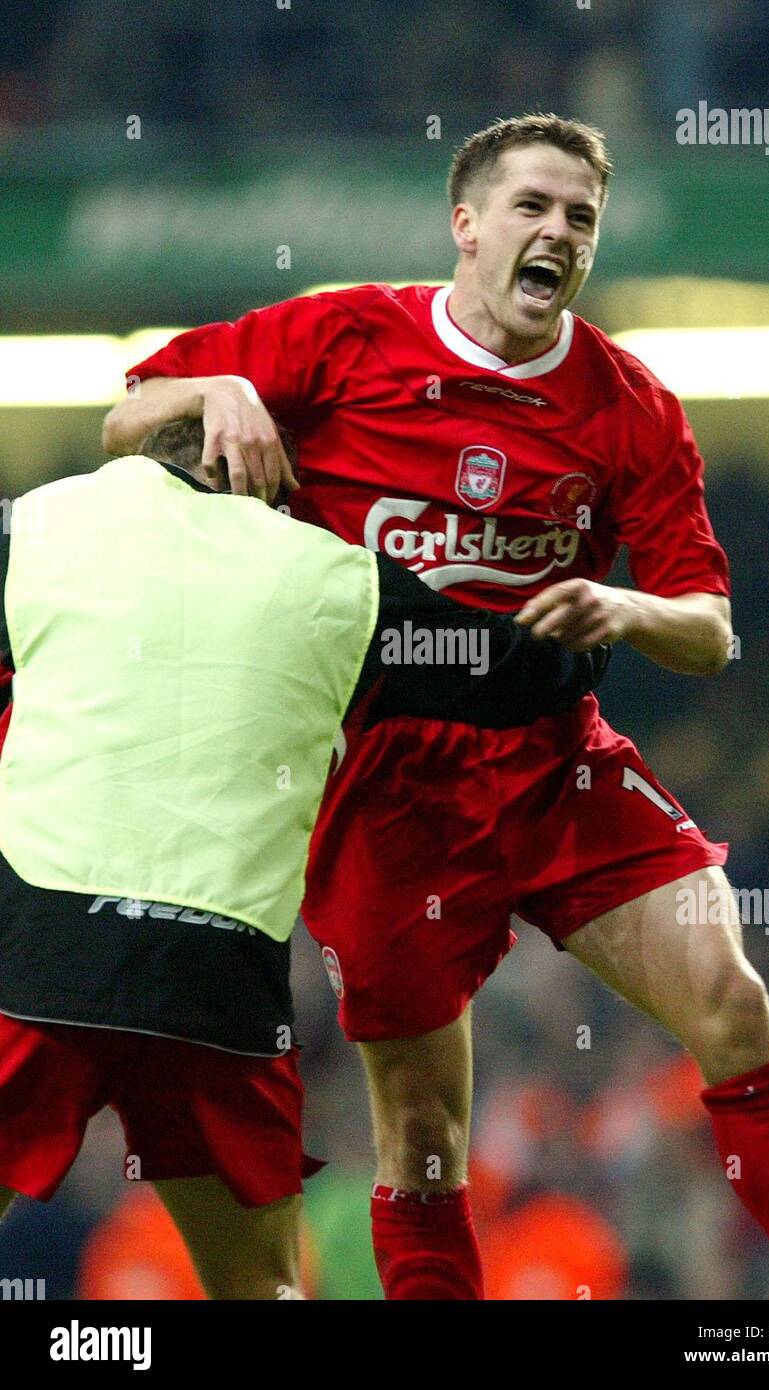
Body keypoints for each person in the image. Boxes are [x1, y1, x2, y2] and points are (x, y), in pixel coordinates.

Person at [102, 114, 769, 1301]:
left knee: (730, 1000)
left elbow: (709, 630)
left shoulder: (627, 405)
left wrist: (620, 608)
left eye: (579, 218)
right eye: (532, 207)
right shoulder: (342, 336)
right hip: (382, 778)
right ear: (466, 224)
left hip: (551, 755)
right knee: (420, 1138)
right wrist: (212, 392)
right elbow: (126, 415)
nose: (556, 231)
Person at [0, 416, 609, 1301]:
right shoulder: (330, 574)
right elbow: (508, 665)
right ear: (269, 470)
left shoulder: (48, 522)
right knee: (265, 1287)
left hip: (38, 959)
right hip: (215, 978)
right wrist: (591, 636)